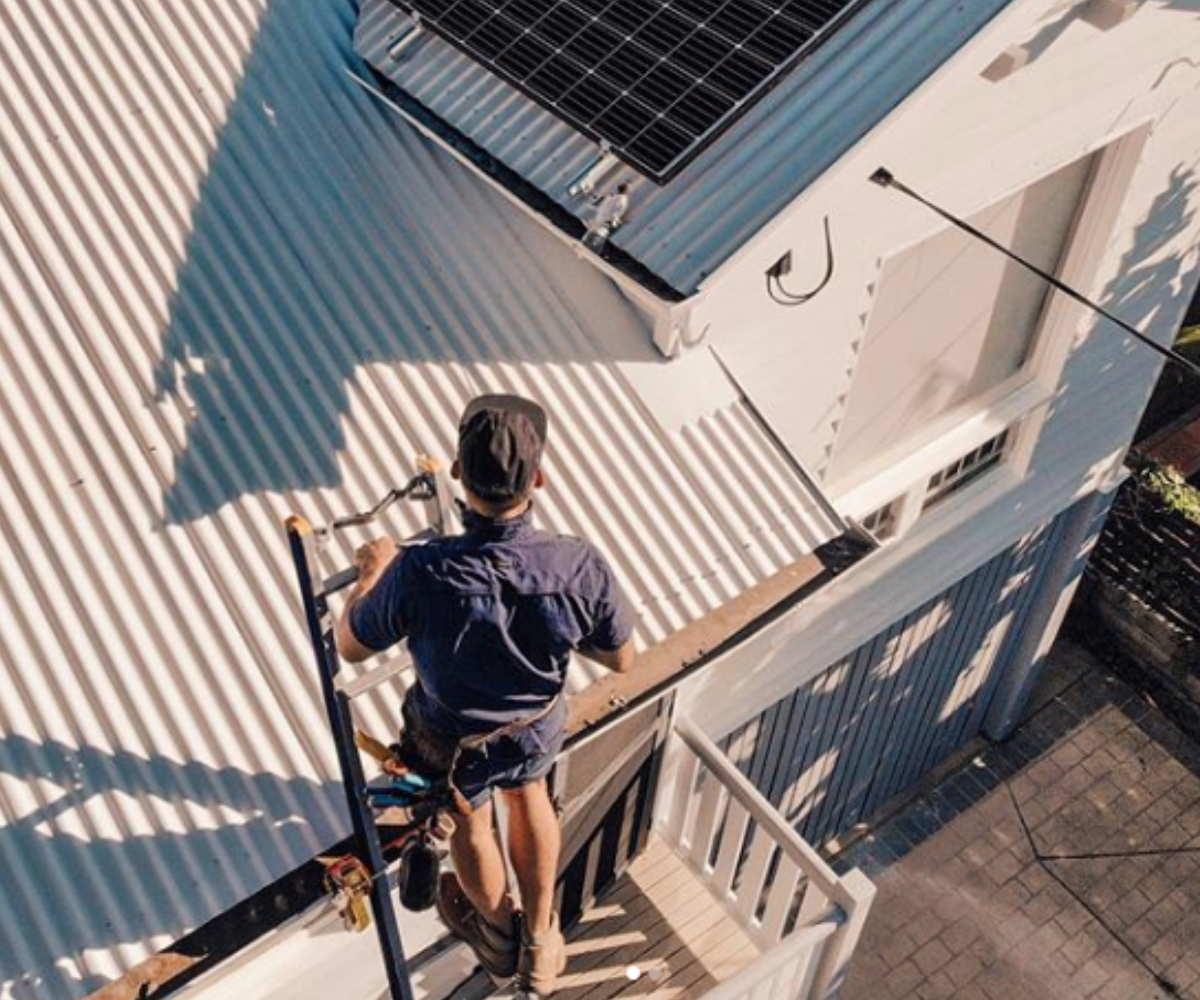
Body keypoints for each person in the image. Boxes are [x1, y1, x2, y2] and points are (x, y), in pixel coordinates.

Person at [336, 393, 635, 996]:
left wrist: (375, 571)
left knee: (472, 825)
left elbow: (350, 647)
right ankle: (541, 938)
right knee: (529, 797)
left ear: (455, 472)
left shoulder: (420, 572)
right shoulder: (578, 565)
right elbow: (621, 658)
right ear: (540, 478)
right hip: (533, 728)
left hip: (450, 740)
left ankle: (498, 933)